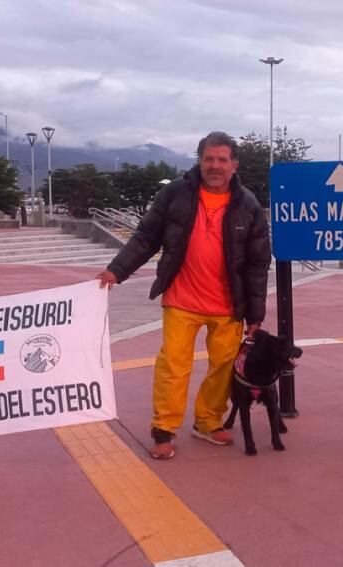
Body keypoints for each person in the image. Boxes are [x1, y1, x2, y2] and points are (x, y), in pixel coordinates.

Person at [97, 131, 271, 460]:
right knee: (174, 366)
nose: (215, 166)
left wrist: (255, 316)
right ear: (199, 161)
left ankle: (207, 422)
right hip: (181, 297)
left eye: (222, 160)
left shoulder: (247, 205)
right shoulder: (176, 194)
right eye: (208, 159)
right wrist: (116, 270)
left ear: (234, 165)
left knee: (222, 367)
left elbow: (258, 265)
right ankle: (164, 429)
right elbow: (146, 237)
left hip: (227, 304)